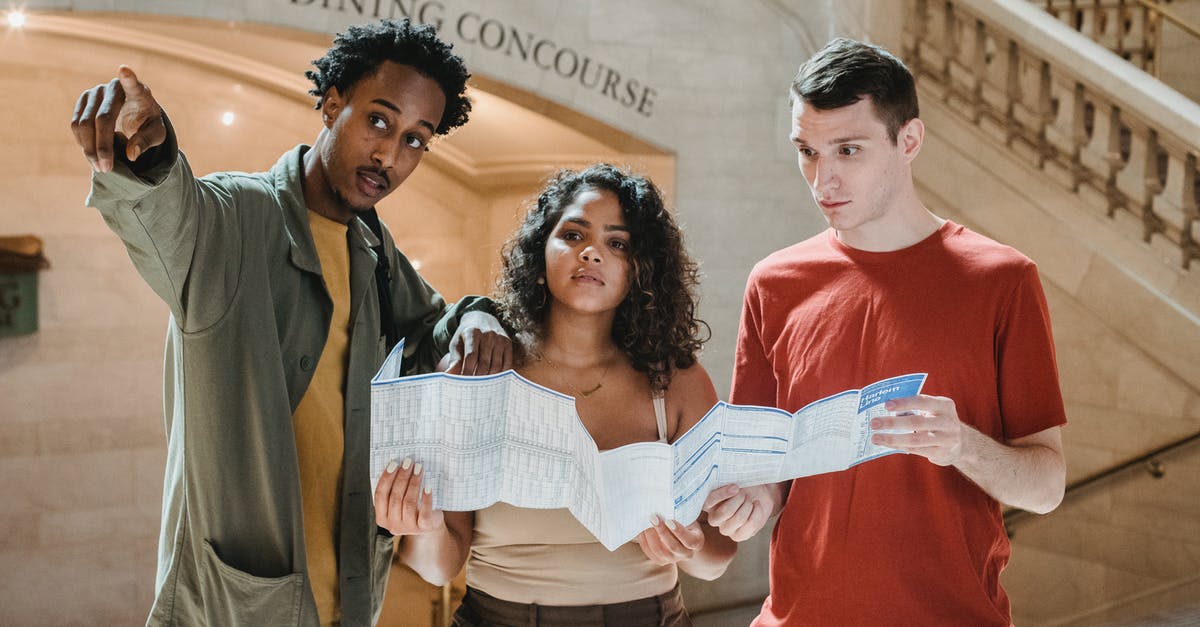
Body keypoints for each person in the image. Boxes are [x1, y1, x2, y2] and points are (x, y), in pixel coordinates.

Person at [71, 19, 511, 626]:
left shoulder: (375, 251)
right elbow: (169, 212)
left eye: (416, 139)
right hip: (235, 608)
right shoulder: (235, 217)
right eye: (378, 120)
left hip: (352, 604)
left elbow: (433, 326)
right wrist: (150, 156)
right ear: (331, 105)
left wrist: (480, 316)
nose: (389, 154)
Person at [702, 38, 1068, 625]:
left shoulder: (1002, 280)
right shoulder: (773, 283)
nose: (823, 180)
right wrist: (752, 500)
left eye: (848, 150)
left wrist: (961, 445)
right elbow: (766, 470)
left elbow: (1046, 487)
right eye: (807, 152)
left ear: (909, 141)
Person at [373, 164, 738, 625]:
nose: (591, 253)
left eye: (617, 243)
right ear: (540, 254)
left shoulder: (677, 382)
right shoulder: (477, 373)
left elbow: (717, 559)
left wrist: (690, 547)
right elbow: (438, 567)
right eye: (573, 235)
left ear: (640, 270)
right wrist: (423, 528)